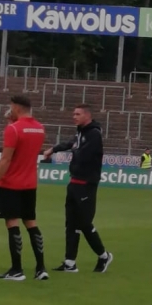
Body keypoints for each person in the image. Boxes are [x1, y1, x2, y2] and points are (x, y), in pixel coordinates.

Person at [43, 104, 113, 274]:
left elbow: (84, 154)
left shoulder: (94, 134)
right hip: (74, 182)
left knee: (84, 223)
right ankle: (70, 262)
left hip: (86, 184)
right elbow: (71, 143)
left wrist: (73, 149)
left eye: (78, 114)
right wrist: (54, 149)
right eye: (73, 113)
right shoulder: (81, 132)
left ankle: (104, 255)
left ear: (87, 116)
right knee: (71, 223)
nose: (74, 116)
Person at [0, 94, 47, 281]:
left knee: (12, 222)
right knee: (31, 222)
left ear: (16, 107)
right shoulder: (40, 128)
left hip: (11, 182)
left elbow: (6, 159)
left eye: (11, 107)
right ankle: (41, 268)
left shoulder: (13, 129)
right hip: (30, 182)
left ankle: (17, 270)